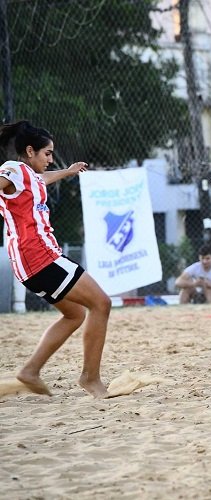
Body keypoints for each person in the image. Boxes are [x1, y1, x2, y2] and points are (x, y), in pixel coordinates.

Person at [0, 120, 111, 398]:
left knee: (75, 314)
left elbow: (42, 179)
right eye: (47, 153)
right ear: (29, 151)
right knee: (101, 304)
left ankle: (30, 370)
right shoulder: (13, 169)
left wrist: (68, 172)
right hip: (40, 257)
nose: (50, 159)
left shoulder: (29, 175)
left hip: (30, 262)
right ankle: (90, 378)